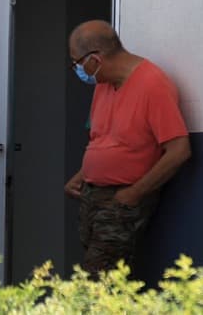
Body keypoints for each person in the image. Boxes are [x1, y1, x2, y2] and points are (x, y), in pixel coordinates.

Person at [64, 20, 191, 275]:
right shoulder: (103, 85)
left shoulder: (152, 84)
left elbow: (179, 150)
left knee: (97, 279)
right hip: (93, 196)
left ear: (95, 59)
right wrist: (81, 176)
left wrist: (133, 194)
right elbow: (104, 140)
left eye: (77, 62)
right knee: (102, 277)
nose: (76, 69)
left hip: (121, 200)